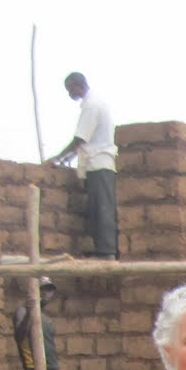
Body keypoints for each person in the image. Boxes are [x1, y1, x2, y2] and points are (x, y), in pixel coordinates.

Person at [46, 72, 117, 259]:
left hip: (99, 163)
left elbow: (79, 139)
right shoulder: (94, 103)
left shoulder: (92, 106)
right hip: (97, 163)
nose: (70, 94)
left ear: (78, 85)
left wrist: (57, 159)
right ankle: (104, 251)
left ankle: (106, 252)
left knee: (102, 208)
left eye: (70, 90)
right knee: (96, 209)